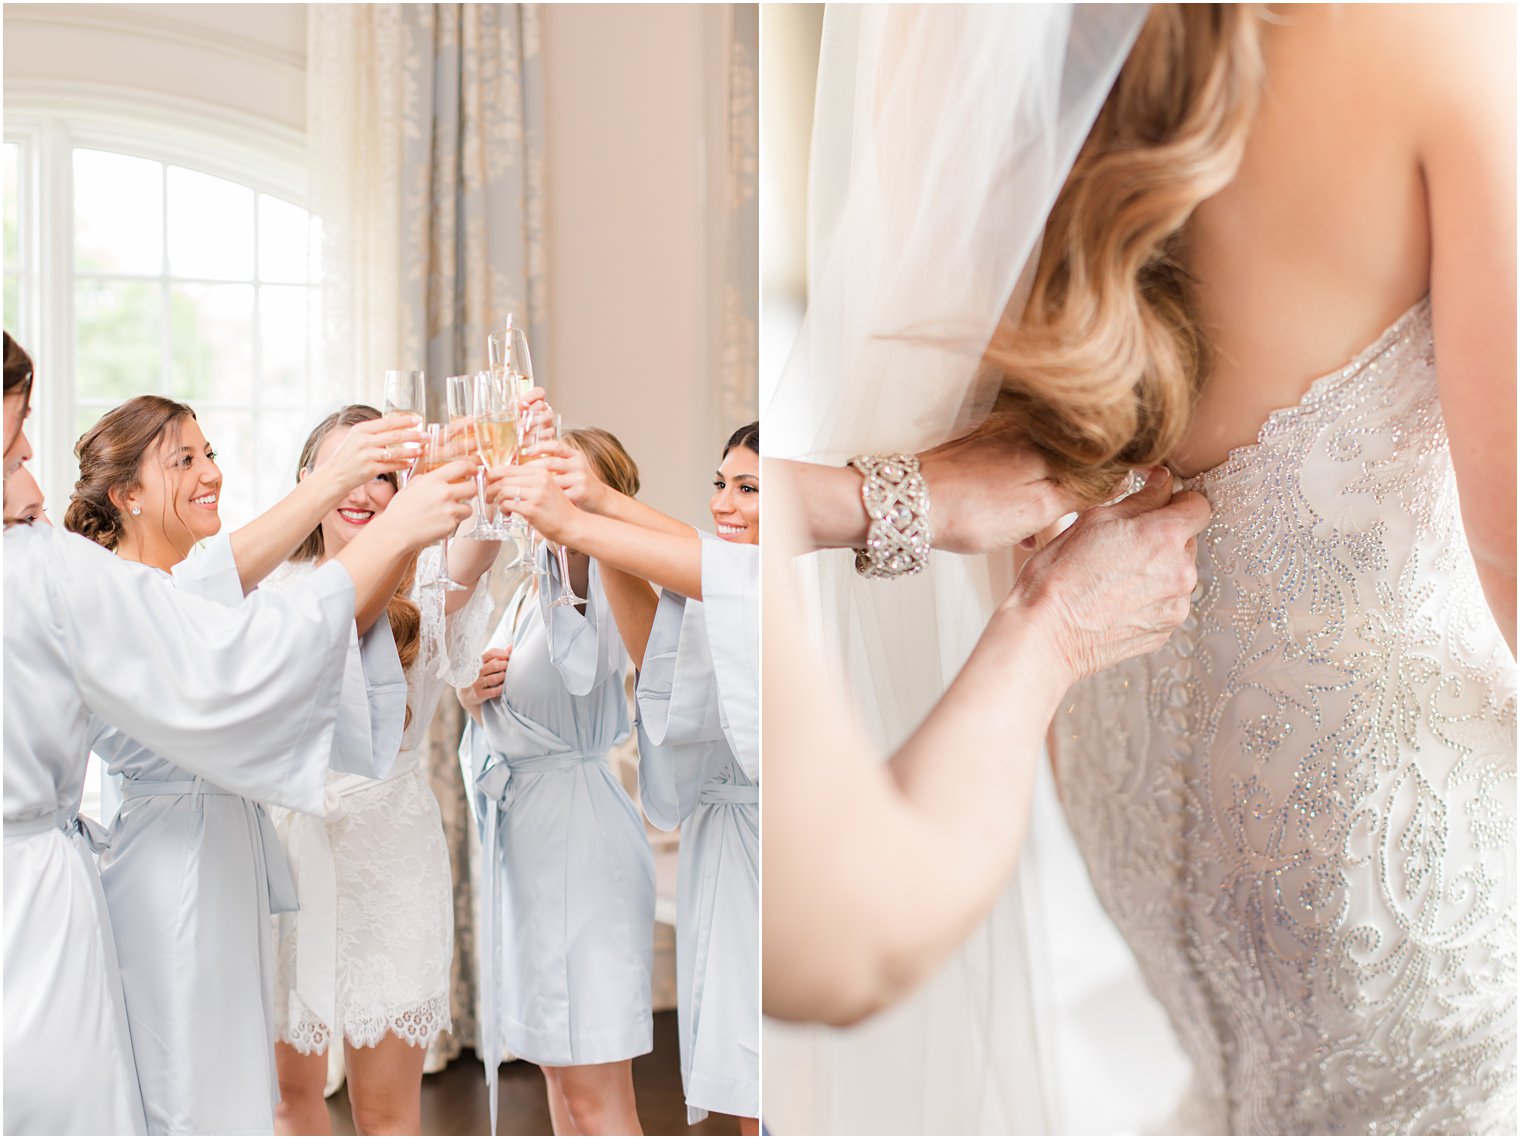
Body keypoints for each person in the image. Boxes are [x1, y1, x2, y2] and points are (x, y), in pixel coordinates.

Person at [766, 3, 1515, 1134]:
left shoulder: (961, 38)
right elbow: (1507, 544)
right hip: (1404, 880)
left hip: (1133, 817)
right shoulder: (1428, 36)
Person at [2, 333, 475, 1135]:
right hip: (138, 873)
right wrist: (383, 525)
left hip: (200, 862)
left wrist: (341, 492)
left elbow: (205, 591)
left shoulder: (88, 572)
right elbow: (236, 654)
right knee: (186, 1093)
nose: (31, 475)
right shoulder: (56, 567)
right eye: (13, 442)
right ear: (129, 493)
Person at [63, 394, 420, 1135]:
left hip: (222, 858)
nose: (211, 474)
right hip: (175, 868)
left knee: (231, 1090)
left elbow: (287, 631)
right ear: (127, 495)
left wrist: (398, 535)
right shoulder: (123, 598)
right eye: (183, 460)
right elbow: (239, 614)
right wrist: (340, 497)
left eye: (211, 453)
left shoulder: (188, 599)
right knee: (190, 1092)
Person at [487, 422, 761, 1133]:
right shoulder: (718, 587)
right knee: (735, 1079)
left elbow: (698, 574)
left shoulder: (774, 585)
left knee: (766, 1073)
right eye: (720, 484)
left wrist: (589, 515)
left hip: (763, 842)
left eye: (750, 488)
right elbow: (661, 653)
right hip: (717, 843)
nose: (725, 504)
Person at [270, 404, 501, 1137]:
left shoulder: (429, 581)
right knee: (288, 1096)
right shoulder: (273, 589)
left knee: (386, 1111)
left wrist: (489, 449)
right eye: (344, 469)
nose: (363, 490)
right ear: (308, 480)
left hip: (390, 852)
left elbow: (482, 540)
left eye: (381, 473)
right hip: (287, 848)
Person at [457, 427, 655, 1136]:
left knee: (594, 1088)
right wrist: (474, 694)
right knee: (556, 1072)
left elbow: (576, 660)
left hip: (579, 843)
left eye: (557, 472)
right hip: (531, 842)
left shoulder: (592, 571)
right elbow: (519, 699)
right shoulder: (528, 581)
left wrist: (574, 520)